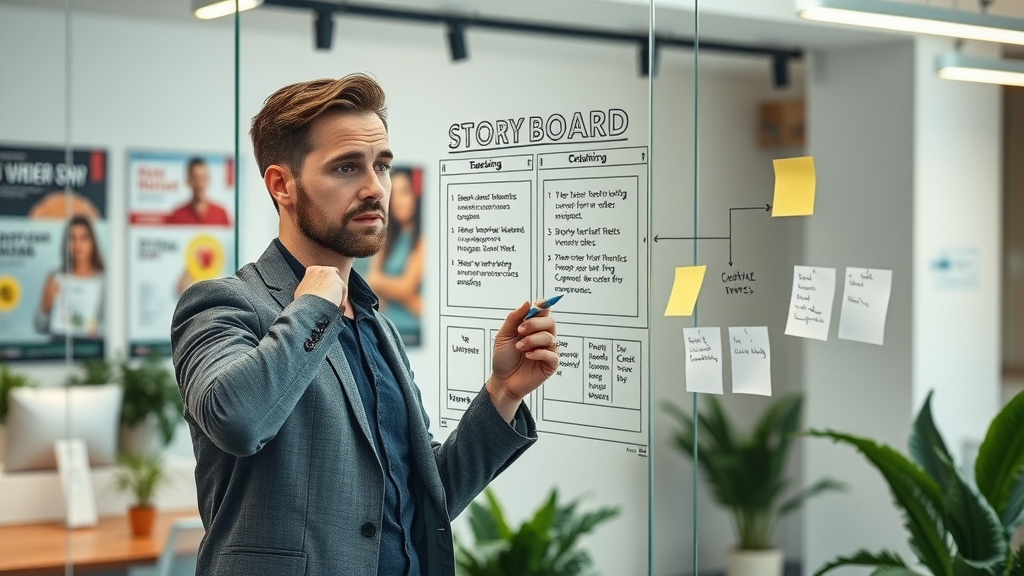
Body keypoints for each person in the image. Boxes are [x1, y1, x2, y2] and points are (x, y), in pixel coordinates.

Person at [170, 73, 559, 576]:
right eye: (347, 167)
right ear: (281, 185)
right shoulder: (223, 304)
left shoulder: (378, 326)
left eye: (382, 166)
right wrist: (312, 307)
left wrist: (503, 391)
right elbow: (238, 420)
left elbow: (420, 499)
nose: (375, 188)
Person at [365, 167, 423, 344]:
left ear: (415, 196)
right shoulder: (387, 239)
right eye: (394, 194)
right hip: (385, 330)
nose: (398, 201)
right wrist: (405, 295)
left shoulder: (422, 240)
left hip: (413, 332)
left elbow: (404, 288)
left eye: (405, 192)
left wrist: (400, 291)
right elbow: (371, 281)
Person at [35, 214, 105, 338]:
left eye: (84, 238)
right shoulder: (55, 277)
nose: (77, 245)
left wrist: (98, 330)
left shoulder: (104, 280)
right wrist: (45, 305)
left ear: (92, 242)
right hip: (58, 347)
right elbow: (40, 327)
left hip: (90, 351)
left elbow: (115, 326)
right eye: (72, 238)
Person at [164, 157, 231, 226]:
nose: (199, 183)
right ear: (188, 181)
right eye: (195, 178)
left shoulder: (221, 213)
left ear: (208, 180)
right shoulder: (177, 215)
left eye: (203, 177)